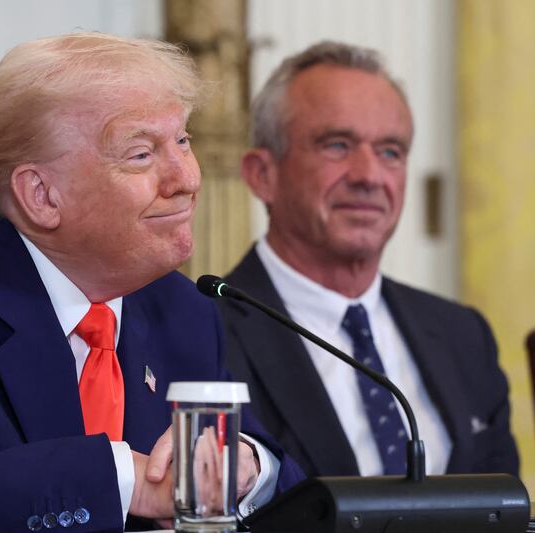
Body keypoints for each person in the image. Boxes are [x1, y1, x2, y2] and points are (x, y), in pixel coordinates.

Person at [0, 33, 302, 533]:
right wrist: (114, 480)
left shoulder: (182, 308)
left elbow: (294, 493)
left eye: (182, 140)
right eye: (140, 155)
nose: (187, 178)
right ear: (41, 195)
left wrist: (245, 466)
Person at [218, 41, 519, 479]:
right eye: (337, 146)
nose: (369, 176)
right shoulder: (204, 333)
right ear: (263, 175)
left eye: (390, 152)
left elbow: (504, 507)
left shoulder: (463, 335)